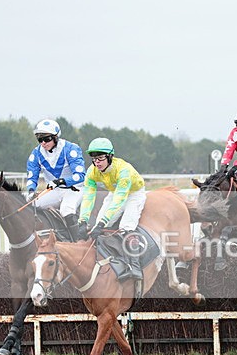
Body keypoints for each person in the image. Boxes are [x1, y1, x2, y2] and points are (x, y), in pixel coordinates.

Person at [77, 137, 147, 280]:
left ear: (110, 156)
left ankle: (135, 266)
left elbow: (119, 200)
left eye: (101, 158)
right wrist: (82, 220)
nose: (97, 162)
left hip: (134, 193)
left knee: (125, 226)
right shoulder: (92, 171)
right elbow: (88, 197)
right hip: (115, 193)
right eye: (94, 159)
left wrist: (102, 222)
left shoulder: (123, 170)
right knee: (98, 228)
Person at [25, 119, 85, 240]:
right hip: (54, 191)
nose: (43, 143)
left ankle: (78, 243)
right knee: (33, 206)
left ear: (56, 137)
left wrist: (60, 181)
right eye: (40, 139)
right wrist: (31, 191)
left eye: (47, 139)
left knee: (66, 209)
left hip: (75, 189)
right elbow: (32, 175)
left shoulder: (71, 149)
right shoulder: (36, 153)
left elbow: (80, 175)